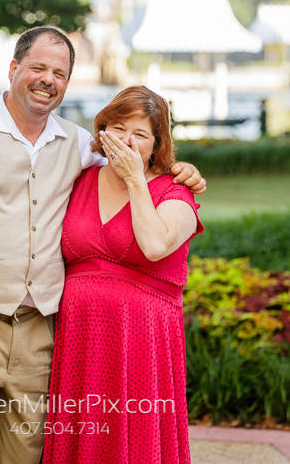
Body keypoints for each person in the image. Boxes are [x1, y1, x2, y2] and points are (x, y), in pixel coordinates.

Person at [0, 27, 206, 464]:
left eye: (59, 73)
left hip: (38, 333)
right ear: (13, 69)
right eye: (38, 67)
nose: (48, 79)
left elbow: (138, 166)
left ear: (67, 82)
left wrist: (180, 169)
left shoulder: (79, 144)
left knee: (26, 456)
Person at [42, 86, 203, 464]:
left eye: (140, 134)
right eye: (118, 128)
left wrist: (135, 180)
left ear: (157, 143)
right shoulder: (78, 180)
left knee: (134, 437)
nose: (127, 141)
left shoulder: (175, 193)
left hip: (141, 342)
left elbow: (154, 245)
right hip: (78, 338)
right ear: (102, 131)